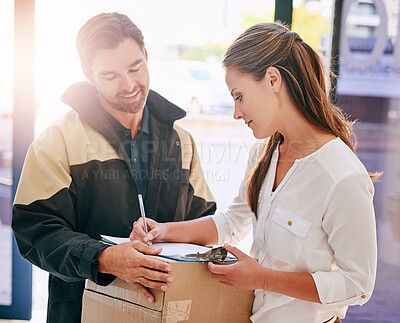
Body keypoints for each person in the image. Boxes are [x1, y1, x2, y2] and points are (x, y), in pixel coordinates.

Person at [130, 23, 380, 323]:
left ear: (273, 79)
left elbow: (358, 285)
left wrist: (260, 278)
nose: (236, 112)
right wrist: (164, 232)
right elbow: (234, 221)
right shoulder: (264, 153)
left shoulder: (341, 176)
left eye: (239, 96)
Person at [12, 12, 216, 323]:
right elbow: (36, 232)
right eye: (110, 76)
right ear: (88, 73)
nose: (129, 84)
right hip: (81, 313)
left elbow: (205, 224)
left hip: (164, 311)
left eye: (135, 67)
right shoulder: (57, 141)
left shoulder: (181, 141)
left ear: (146, 55)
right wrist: (104, 258)